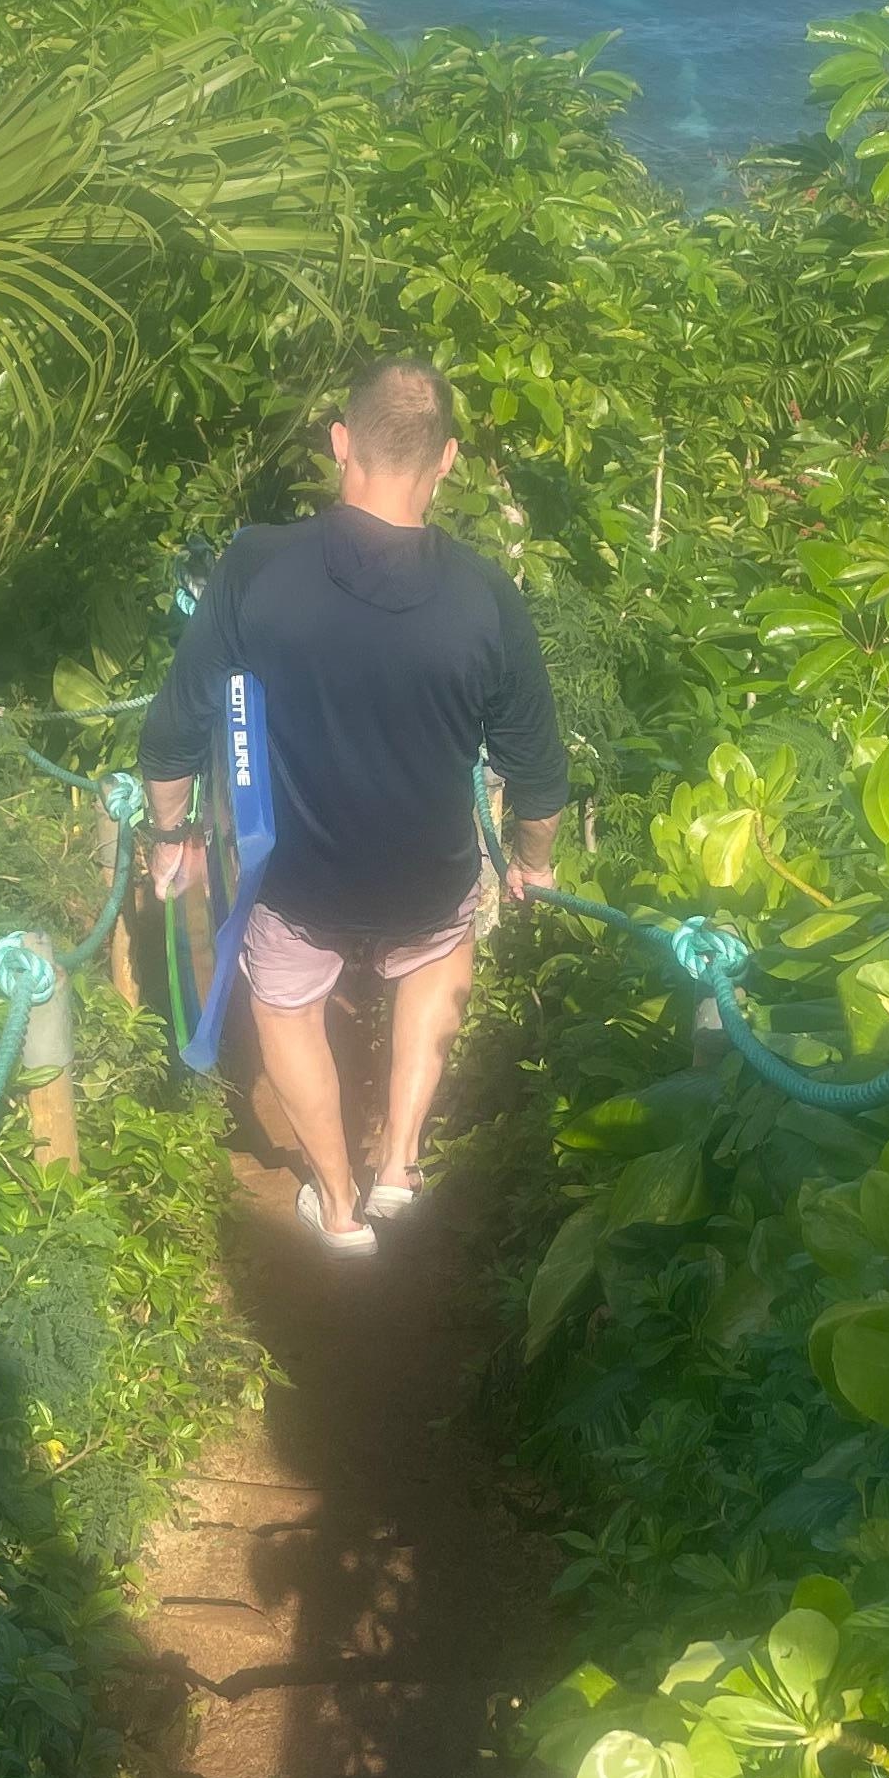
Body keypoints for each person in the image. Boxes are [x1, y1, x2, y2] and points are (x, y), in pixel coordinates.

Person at [139, 358, 569, 1254]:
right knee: (441, 959)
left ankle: (337, 1207)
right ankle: (400, 1163)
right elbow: (537, 770)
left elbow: (177, 721)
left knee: (288, 1009)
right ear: (446, 461)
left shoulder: (256, 564)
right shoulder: (488, 596)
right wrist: (533, 862)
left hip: (297, 883)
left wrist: (170, 835)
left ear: (341, 442)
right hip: (430, 878)